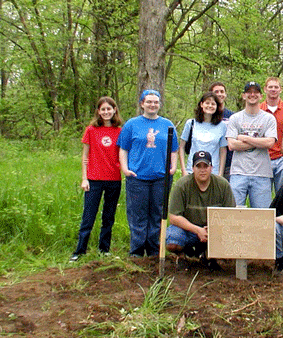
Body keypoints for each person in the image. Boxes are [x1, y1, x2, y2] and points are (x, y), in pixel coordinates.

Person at [118, 89, 178, 257]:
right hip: (138, 178)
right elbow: (123, 148)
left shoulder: (167, 124)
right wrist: (125, 169)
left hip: (161, 178)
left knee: (157, 214)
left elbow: (174, 149)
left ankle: (153, 250)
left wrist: (173, 168)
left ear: (159, 104)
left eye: (156, 102)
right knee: (138, 215)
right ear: (142, 104)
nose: (152, 105)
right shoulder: (132, 124)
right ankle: (137, 251)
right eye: (149, 102)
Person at [70, 97, 123, 262]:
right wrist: (84, 178)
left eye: (109, 109)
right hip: (94, 179)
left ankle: (104, 249)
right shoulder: (91, 130)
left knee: (108, 216)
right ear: (98, 112)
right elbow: (85, 156)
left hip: (114, 179)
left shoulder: (120, 131)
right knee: (88, 216)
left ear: (114, 110)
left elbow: (123, 155)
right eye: (103, 109)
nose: (106, 112)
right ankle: (80, 251)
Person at [167, 151, 236, 271]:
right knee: (173, 238)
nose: (202, 170)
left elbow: (231, 214)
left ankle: (208, 256)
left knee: (233, 236)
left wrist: (213, 230)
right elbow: (173, 217)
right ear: (193, 168)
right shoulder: (182, 185)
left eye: (206, 166)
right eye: (198, 166)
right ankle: (183, 257)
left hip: (214, 230)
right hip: (189, 230)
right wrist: (197, 230)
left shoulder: (223, 185)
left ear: (211, 168)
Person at [226, 81, 277, 208]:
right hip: (238, 173)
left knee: (262, 217)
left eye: (256, 92)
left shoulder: (269, 118)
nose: (252, 94)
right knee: (234, 214)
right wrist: (259, 141)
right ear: (243, 95)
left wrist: (244, 138)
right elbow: (232, 145)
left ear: (261, 96)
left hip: (262, 174)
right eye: (249, 92)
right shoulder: (235, 118)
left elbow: (270, 142)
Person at [259, 77, 283, 194]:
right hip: (263, 157)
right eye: (270, 87)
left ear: (280, 89)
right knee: (263, 195)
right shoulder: (258, 110)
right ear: (265, 89)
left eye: (276, 87)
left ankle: (281, 213)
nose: (273, 89)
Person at [178, 91, 227, 177]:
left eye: (213, 104)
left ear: (217, 107)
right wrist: (184, 170)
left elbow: (223, 150)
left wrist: (220, 173)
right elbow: (181, 147)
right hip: (192, 170)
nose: (210, 106)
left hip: (213, 172)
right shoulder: (191, 123)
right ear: (201, 104)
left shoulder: (222, 126)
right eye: (207, 103)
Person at [210, 81, 235, 180]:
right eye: (216, 92)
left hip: (229, 162)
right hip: (210, 161)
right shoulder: (206, 115)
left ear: (225, 94)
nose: (219, 94)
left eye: (222, 91)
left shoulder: (232, 116)